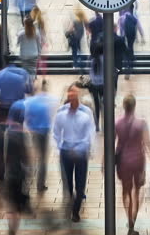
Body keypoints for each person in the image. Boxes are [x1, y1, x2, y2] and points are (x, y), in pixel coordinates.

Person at [53, 84, 94, 222]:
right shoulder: (61, 113)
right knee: (68, 184)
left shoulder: (86, 113)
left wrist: (89, 148)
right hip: (66, 151)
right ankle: (71, 204)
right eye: (70, 98)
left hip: (81, 152)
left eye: (74, 97)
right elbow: (56, 132)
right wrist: (59, 147)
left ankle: (75, 211)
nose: (72, 100)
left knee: (80, 185)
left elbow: (91, 132)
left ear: (78, 97)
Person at [116, 94, 150, 235]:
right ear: (134, 106)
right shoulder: (141, 124)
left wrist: (104, 161)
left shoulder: (117, 123)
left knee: (126, 191)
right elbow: (147, 142)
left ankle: (129, 218)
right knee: (137, 191)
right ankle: (133, 219)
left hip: (123, 162)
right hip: (138, 160)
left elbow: (111, 142)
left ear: (124, 106)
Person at [0, 62, 31, 181]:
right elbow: (29, 89)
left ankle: (0, 171)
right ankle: (15, 166)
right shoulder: (23, 74)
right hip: (18, 108)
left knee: (0, 139)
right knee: (17, 135)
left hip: (4, 108)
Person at [24, 80, 55, 191]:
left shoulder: (29, 102)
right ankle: (40, 184)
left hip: (34, 132)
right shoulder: (48, 100)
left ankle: (28, 183)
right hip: (44, 132)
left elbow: (26, 118)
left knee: (32, 157)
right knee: (42, 159)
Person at [4, 101, 30, 234]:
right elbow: (26, 158)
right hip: (19, 174)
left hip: (9, 173)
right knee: (17, 205)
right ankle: (14, 228)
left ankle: (11, 228)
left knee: (10, 204)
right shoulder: (23, 134)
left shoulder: (7, 132)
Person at [17, 17, 42, 83]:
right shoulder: (36, 33)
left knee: (25, 70)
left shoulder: (21, 33)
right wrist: (39, 54)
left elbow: (17, 43)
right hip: (34, 54)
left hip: (24, 55)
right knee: (33, 71)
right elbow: (39, 44)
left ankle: (27, 85)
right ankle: (32, 85)